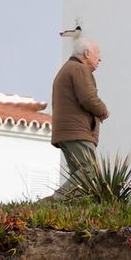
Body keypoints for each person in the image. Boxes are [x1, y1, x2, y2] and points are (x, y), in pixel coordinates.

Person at [49, 37, 109, 197]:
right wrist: (103, 111)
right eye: (97, 54)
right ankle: (55, 201)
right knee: (90, 171)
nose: (100, 59)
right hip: (77, 132)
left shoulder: (67, 69)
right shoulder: (79, 69)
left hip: (67, 132)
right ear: (87, 53)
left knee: (80, 177)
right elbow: (89, 99)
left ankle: (64, 207)